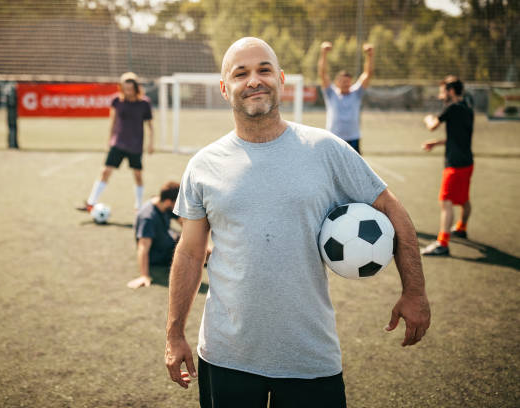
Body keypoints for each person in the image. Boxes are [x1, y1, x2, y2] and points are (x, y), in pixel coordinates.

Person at [164, 37, 430, 407]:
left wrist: (414, 291)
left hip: (309, 356)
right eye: (241, 74)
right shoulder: (204, 165)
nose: (254, 80)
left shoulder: (326, 149)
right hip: (227, 356)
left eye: (264, 70)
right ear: (226, 89)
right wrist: (174, 333)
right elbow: (191, 253)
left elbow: (392, 209)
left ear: (282, 79)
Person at [77, 72, 154, 213]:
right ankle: (91, 203)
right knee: (105, 171)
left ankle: (138, 207)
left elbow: (150, 125)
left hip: (135, 145)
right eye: (125, 88)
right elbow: (113, 121)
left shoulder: (144, 103)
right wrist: (110, 140)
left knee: (137, 175)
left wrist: (151, 143)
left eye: (130, 88)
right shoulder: (116, 101)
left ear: (136, 88)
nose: (128, 91)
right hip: (118, 143)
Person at [421, 76, 474, 256]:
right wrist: (436, 143)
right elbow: (458, 138)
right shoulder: (468, 108)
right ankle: (461, 227)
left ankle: (442, 244)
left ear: (451, 91)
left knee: (446, 202)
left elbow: (432, 125)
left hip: (454, 165)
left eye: (443, 91)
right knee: (464, 199)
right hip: (467, 163)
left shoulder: (451, 108)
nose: (440, 95)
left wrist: (428, 118)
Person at [318, 41, 374, 154]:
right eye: (343, 81)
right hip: (334, 137)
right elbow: (323, 73)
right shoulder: (331, 93)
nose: (345, 84)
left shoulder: (356, 93)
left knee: (354, 169)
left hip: (353, 138)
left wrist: (370, 55)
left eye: (348, 82)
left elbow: (368, 74)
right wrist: (323, 53)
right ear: (337, 82)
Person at [127, 181, 181, 289]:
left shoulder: (165, 204)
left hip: (167, 240)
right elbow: (143, 248)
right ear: (168, 202)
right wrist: (144, 276)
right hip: (158, 255)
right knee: (192, 251)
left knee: (193, 243)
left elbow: (184, 223)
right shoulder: (148, 217)